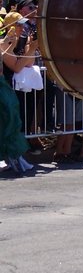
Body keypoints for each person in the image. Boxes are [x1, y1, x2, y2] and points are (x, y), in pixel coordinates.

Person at [0, 13, 32, 174]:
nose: (22, 29)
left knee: (12, 121)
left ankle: (14, 157)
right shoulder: (3, 42)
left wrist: (30, 46)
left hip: (5, 87)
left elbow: (28, 62)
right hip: (3, 87)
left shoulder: (10, 42)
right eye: (18, 25)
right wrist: (7, 43)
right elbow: (14, 64)